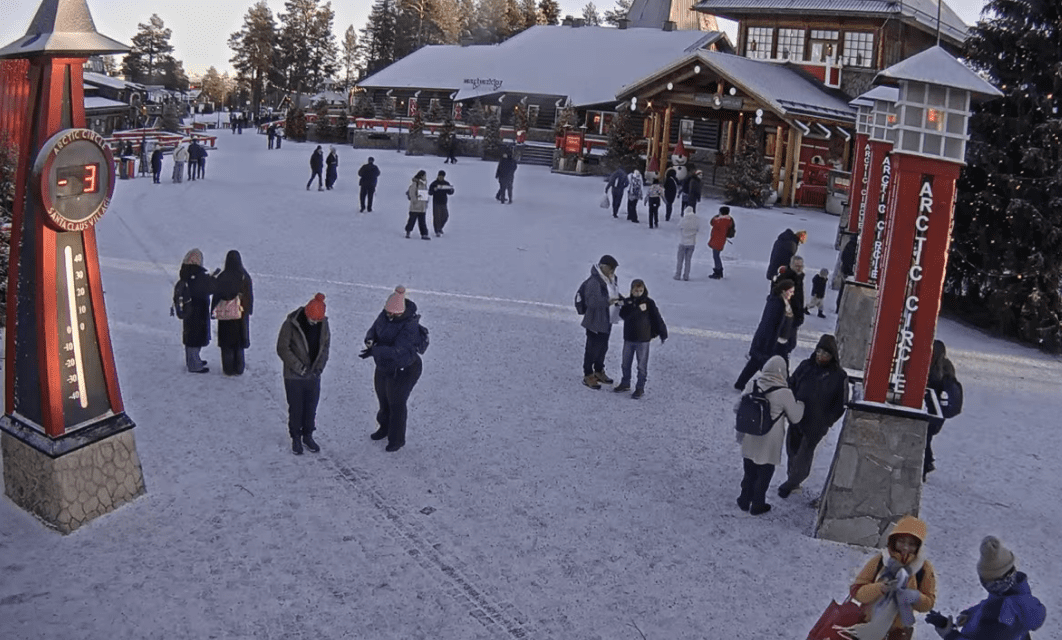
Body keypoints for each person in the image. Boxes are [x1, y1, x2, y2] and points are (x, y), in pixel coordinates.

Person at [932, 536, 1045, 640]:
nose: (989, 587)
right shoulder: (1010, 591)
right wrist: (970, 614)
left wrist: (950, 635)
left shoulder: (1006, 620)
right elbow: (992, 602)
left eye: (990, 583)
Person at [777, 334, 848, 499]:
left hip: (816, 424)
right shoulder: (805, 366)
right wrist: (790, 405)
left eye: (826, 354)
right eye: (819, 352)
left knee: (804, 454)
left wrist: (827, 421)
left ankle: (791, 483)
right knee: (792, 450)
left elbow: (840, 404)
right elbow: (792, 384)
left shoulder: (839, 376)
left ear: (832, 356)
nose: (821, 356)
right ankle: (792, 478)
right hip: (797, 417)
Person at [846, 515, 937, 640]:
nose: (906, 547)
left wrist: (912, 596)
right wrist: (879, 589)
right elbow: (857, 591)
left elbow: (929, 603)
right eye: (902, 542)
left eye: (912, 544)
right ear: (893, 541)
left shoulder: (923, 568)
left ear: (918, 546)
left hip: (898, 633)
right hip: (866, 627)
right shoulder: (881, 560)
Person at [734, 355, 804, 515]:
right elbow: (795, 417)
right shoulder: (784, 392)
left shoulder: (753, 384)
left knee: (749, 468)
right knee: (764, 471)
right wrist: (801, 405)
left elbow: (737, 407)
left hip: (751, 433)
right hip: (771, 438)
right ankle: (758, 504)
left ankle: (744, 499)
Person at [362, 286, 425, 452]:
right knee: (383, 399)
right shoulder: (385, 315)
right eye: (388, 312)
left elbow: (399, 351)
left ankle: (397, 439)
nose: (389, 316)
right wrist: (370, 340)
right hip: (384, 366)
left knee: (396, 403)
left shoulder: (410, 326)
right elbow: (374, 329)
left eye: (393, 314)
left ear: (400, 313)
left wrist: (375, 350)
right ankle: (384, 428)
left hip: (405, 369)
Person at [277, 293, 331, 455]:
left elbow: (325, 347)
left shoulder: (323, 325)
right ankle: (296, 437)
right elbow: (282, 348)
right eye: (312, 320)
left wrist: (319, 368)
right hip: (294, 376)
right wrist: (298, 367)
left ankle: (308, 435)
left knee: (311, 408)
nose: (314, 323)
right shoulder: (290, 324)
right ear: (307, 314)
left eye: (317, 321)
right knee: (296, 408)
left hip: (313, 375)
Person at [735, 280, 795, 390]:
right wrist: (768, 340)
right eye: (790, 291)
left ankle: (741, 383)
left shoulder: (783, 302)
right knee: (759, 361)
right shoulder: (776, 303)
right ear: (783, 291)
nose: (792, 294)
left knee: (757, 361)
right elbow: (768, 324)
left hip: (777, 341)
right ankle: (785, 388)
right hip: (770, 340)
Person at [577, 255, 623, 389]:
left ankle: (598, 370)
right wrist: (608, 301)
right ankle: (588, 374)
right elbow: (592, 302)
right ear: (603, 267)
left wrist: (623, 300)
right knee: (591, 348)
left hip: (607, 319)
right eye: (610, 268)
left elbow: (615, 294)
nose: (612, 271)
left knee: (603, 347)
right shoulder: (593, 282)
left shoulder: (612, 279)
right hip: (594, 321)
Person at [615, 279, 667, 398]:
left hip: (643, 339)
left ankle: (640, 387)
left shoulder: (649, 303)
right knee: (625, 363)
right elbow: (623, 315)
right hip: (629, 338)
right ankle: (625, 382)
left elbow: (657, 318)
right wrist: (633, 308)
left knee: (641, 366)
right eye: (635, 290)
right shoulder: (628, 302)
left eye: (640, 290)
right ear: (631, 290)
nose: (638, 293)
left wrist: (662, 332)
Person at [212, 250, 254, 376]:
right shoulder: (244, 276)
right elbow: (249, 295)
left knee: (226, 343)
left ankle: (228, 368)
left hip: (225, 315)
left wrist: (212, 310)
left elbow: (216, 295)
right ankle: (239, 367)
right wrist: (248, 310)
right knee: (239, 343)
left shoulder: (223, 276)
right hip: (240, 314)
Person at [923, 340, 957, 480]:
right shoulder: (947, 366)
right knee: (927, 438)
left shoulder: (932, 368)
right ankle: (927, 463)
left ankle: (926, 465)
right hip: (940, 411)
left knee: (925, 437)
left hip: (930, 408)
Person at [177, 249, 215, 373]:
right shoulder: (200, 275)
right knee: (195, 339)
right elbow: (209, 289)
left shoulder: (185, 273)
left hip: (189, 310)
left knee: (191, 337)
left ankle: (194, 360)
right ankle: (194, 365)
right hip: (199, 310)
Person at [773, 255, 807, 352]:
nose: (799, 268)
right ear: (791, 265)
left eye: (801, 266)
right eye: (797, 266)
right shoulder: (787, 279)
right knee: (784, 345)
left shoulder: (799, 278)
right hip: (787, 318)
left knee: (790, 345)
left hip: (795, 317)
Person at [708, 205, 735, 279]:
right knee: (717, 255)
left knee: (716, 256)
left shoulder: (720, 220)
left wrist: (717, 216)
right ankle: (719, 271)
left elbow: (712, 222)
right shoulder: (729, 220)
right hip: (721, 239)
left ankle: (718, 271)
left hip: (717, 239)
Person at [674, 206, 701, 281]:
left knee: (680, 260)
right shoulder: (696, 220)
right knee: (688, 260)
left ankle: (677, 275)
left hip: (683, 242)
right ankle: (686, 276)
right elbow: (698, 229)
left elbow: (678, 227)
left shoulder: (684, 219)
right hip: (692, 243)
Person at [404, 170, 431, 240]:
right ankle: (408, 231)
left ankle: (424, 234)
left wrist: (426, 202)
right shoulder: (415, 184)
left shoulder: (424, 184)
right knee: (411, 221)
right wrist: (415, 201)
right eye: (424, 175)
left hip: (422, 207)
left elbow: (425, 194)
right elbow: (412, 194)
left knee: (422, 222)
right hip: (415, 206)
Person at [428, 170, 454, 237]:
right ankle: (437, 230)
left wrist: (451, 190)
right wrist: (434, 190)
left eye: (442, 176)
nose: (441, 177)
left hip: (444, 202)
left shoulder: (446, 183)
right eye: (440, 176)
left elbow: (450, 192)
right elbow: (430, 192)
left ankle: (440, 228)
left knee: (445, 216)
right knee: (437, 217)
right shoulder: (434, 183)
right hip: (436, 202)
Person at [837, 235, 858, 313]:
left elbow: (844, 257)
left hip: (845, 271)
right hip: (848, 272)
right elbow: (847, 259)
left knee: (842, 290)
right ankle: (840, 307)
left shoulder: (849, 244)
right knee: (845, 292)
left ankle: (838, 307)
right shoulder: (853, 247)